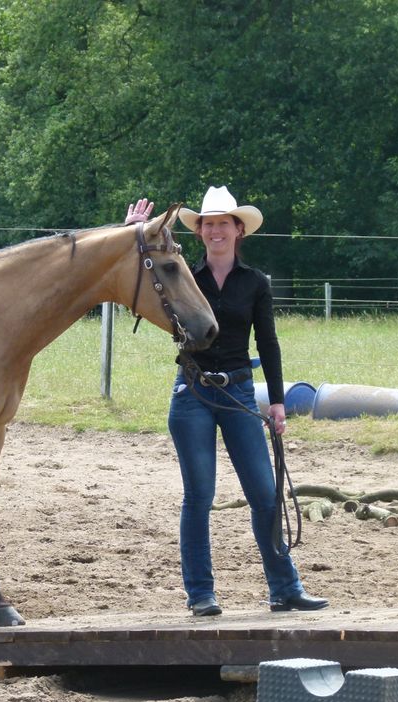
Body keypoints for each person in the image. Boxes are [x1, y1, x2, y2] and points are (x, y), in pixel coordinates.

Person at [125, 186, 328, 617]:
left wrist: (275, 401)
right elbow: (141, 280)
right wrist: (131, 236)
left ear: (239, 230)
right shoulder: (183, 275)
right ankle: (200, 594)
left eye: (223, 223)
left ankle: (285, 588)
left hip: (238, 391)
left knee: (265, 495)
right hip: (193, 391)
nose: (215, 230)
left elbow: (268, 343)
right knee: (199, 496)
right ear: (199, 232)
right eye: (208, 224)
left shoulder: (255, 283)